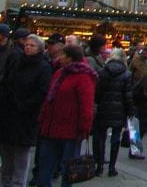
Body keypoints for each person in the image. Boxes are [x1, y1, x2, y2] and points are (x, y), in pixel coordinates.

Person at [0, 34, 52, 187]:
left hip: (25, 117)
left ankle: (17, 183)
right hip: (7, 115)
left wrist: (25, 105)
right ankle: (6, 182)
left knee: (21, 156)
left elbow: (41, 92)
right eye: (27, 45)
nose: (28, 47)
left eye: (32, 45)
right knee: (6, 152)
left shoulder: (43, 67)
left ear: (40, 49)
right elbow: (5, 82)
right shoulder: (16, 62)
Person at [36, 44, 96, 187]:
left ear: (70, 58)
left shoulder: (83, 76)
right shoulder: (59, 73)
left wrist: (84, 129)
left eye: (63, 55)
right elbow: (49, 98)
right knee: (45, 164)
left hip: (70, 130)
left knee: (68, 167)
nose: (60, 57)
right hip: (51, 127)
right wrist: (43, 118)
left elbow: (86, 105)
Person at [93, 48, 135, 177]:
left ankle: (99, 166)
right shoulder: (127, 74)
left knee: (101, 137)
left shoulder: (103, 72)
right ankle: (112, 167)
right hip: (119, 109)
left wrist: (97, 102)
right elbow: (128, 94)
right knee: (116, 138)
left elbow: (98, 91)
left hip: (104, 108)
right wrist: (130, 109)